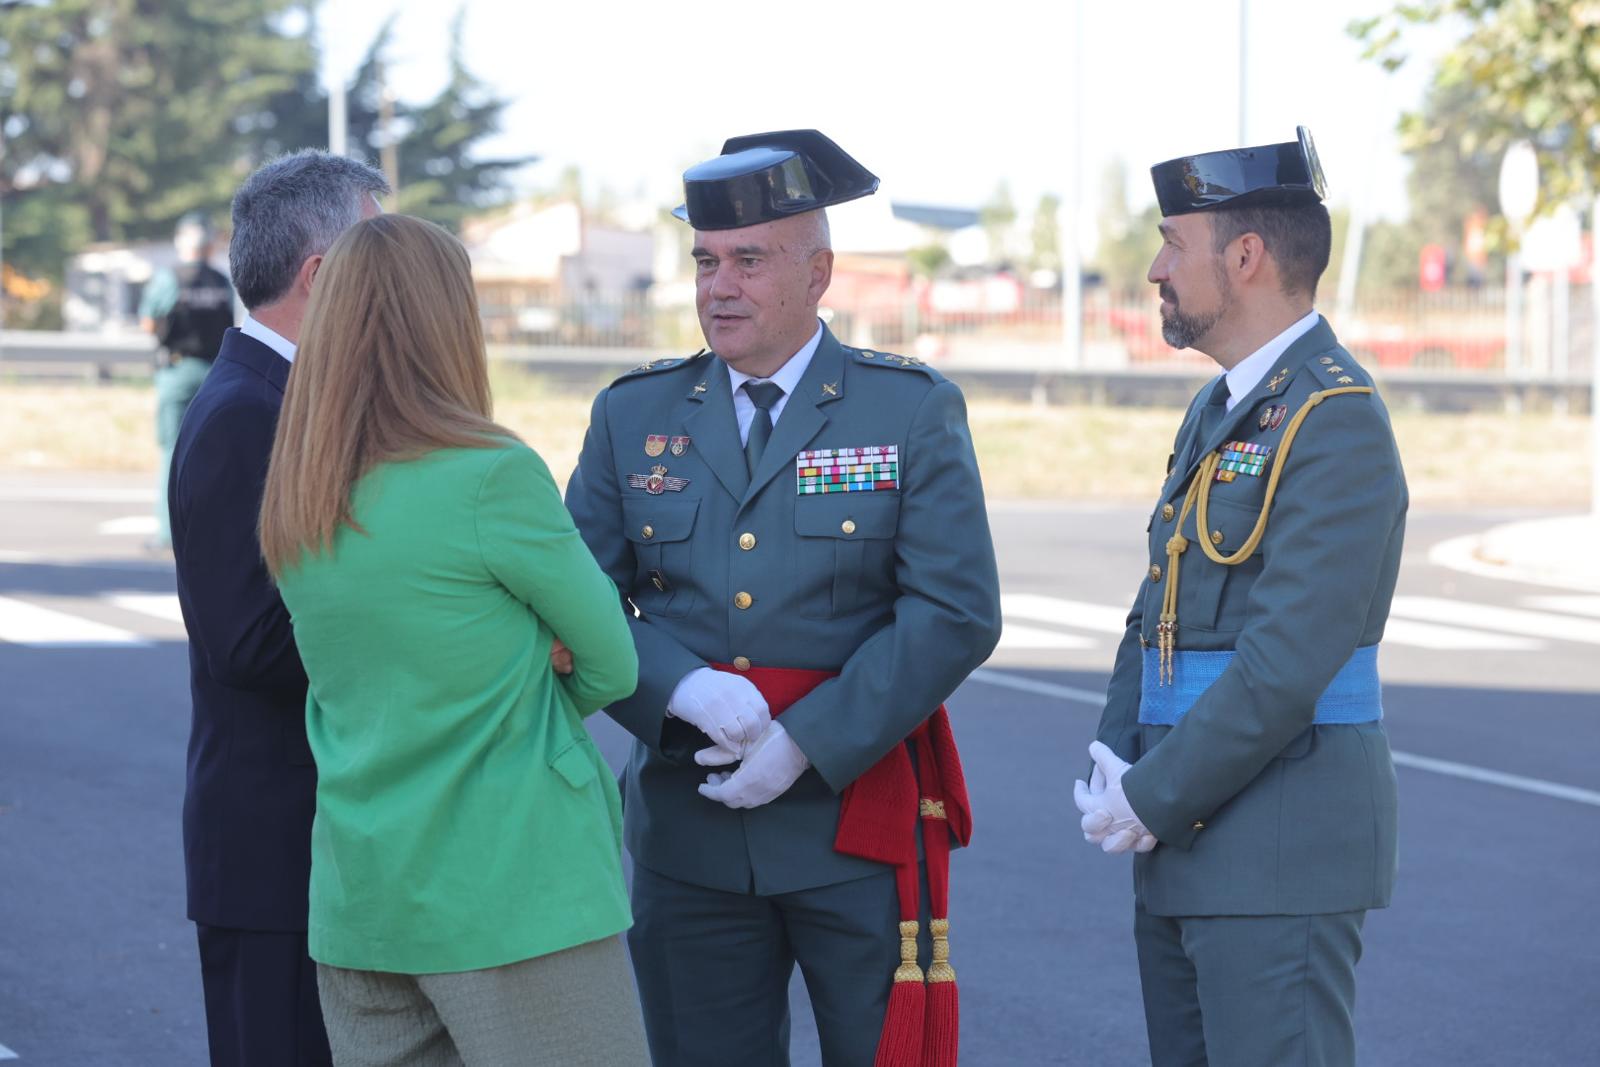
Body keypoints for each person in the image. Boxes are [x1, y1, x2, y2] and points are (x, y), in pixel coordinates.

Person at [565, 130, 1003, 1067]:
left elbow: (955, 610)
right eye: (706, 261)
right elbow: (579, 598)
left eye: (749, 261)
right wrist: (678, 690)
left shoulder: (905, 409)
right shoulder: (633, 414)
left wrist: (810, 739)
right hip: (692, 825)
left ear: (819, 272)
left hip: (853, 824)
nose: (718, 286)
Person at [257, 213, 649, 1067]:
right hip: (512, 886)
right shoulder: (489, 476)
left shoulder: (301, 491)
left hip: (366, 892)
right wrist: (529, 673)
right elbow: (613, 659)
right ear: (449, 323)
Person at [1074, 128, 1405, 1067]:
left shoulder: (1333, 419)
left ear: (1247, 257)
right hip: (1188, 828)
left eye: (1175, 243)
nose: (1155, 268)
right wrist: (1117, 751)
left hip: (1277, 846)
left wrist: (1154, 792)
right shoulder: (1227, 404)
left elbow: (1284, 664)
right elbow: (1159, 604)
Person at [168, 150, 389, 1067]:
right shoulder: (242, 415)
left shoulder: (289, 398)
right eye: (383, 257)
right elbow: (251, 644)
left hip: (318, 848)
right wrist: (414, 609)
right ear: (324, 275)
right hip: (271, 859)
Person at [139, 213, 235, 551]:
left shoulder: (169, 279)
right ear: (209, 245)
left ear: (182, 243)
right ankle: (213, 532)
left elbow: (149, 323)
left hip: (178, 372)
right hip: (214, 373)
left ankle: (168, 533)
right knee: (213, 453)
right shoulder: (222, 281)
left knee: (171, 451)